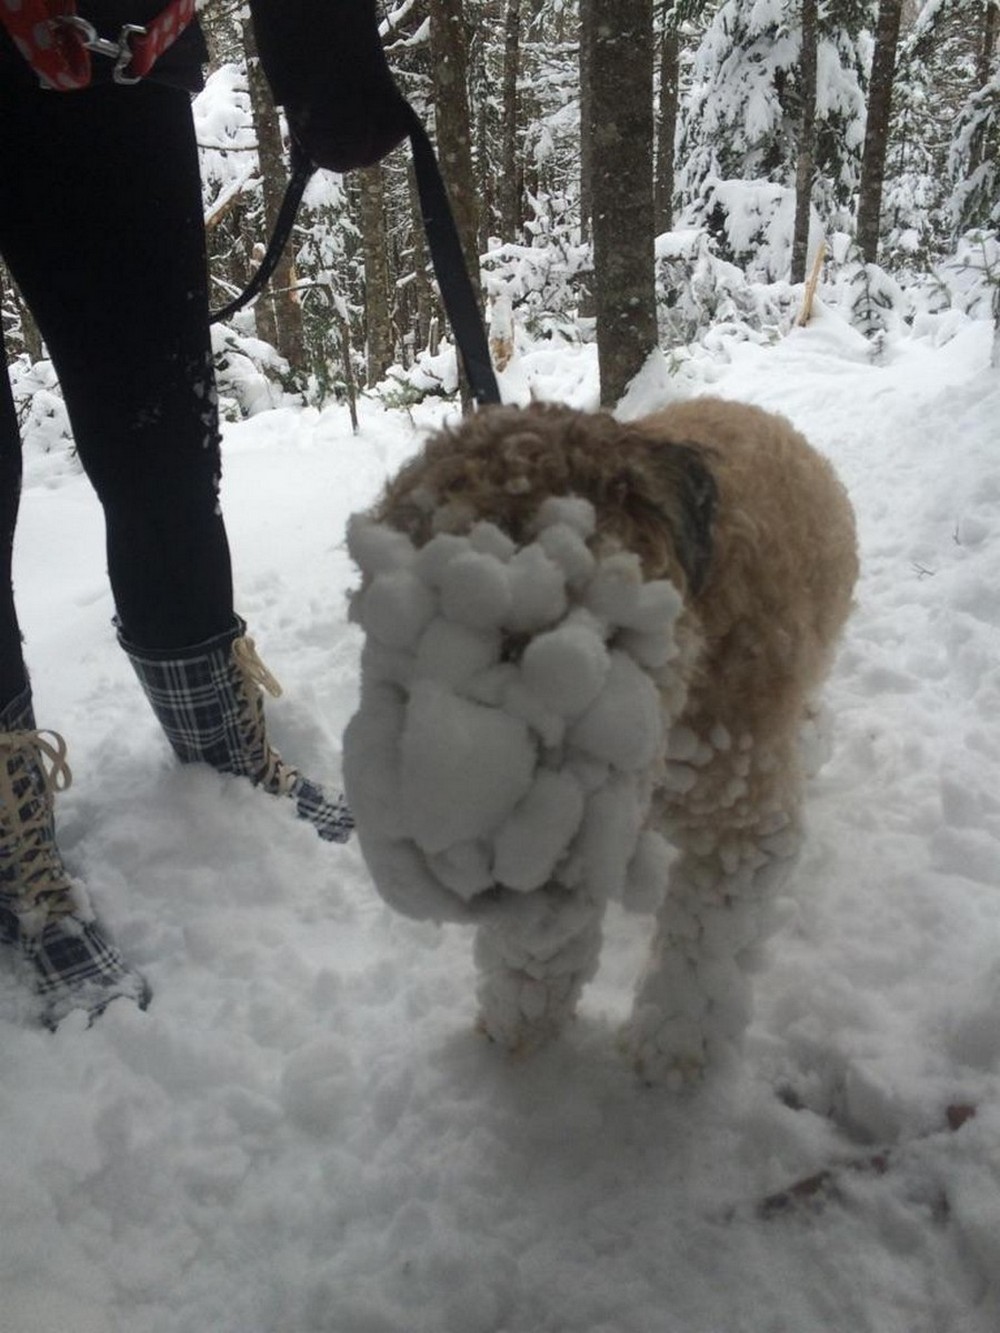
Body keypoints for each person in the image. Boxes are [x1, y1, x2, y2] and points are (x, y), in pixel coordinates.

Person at [0, 1, 354, 1028]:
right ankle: (14, 856)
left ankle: (222, 752)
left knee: (162, 438)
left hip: (107, 51)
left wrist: (318, 33)